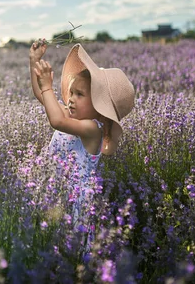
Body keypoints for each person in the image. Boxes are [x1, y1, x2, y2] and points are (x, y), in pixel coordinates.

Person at [29, 40, 135, 219]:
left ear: (100, 106)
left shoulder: (93, 128)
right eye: (71, 92)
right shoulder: (70, 115)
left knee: (73, 243)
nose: (70, 99)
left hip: (76, 200)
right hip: (57, 191)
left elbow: (56, 121)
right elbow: (40, 95)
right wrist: (34, 62)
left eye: (79, 94)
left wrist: (48, 86)